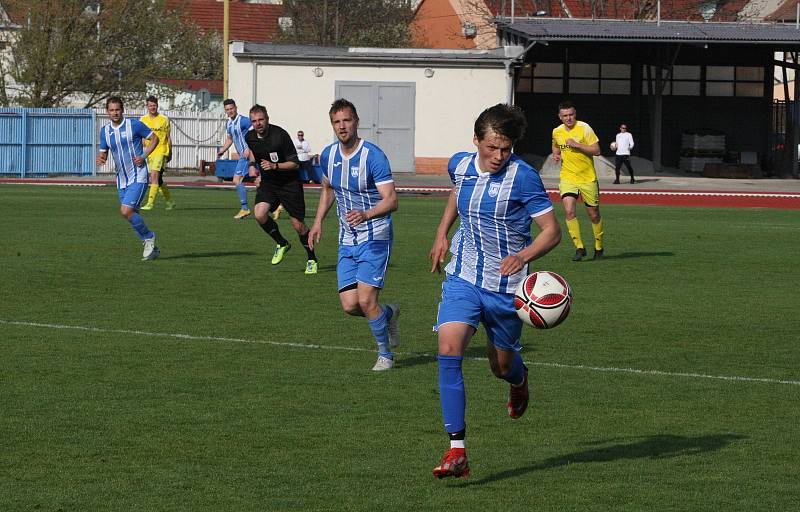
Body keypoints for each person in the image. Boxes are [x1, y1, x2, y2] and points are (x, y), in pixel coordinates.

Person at [429, 103, 561, 479]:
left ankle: (519, 381)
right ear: (476, 141)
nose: (499, 156)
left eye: (506, 149)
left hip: (507, 290)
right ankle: (457, 450)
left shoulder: (523, 177)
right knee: (449, 347)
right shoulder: (460, 164)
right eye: (491, 148)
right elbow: (457, 193)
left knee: (501, 366)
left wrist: (524, 255)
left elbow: (552, 231)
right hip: (464, 277)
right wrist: (441, 233)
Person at [308, 99, 401, 371]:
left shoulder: (373, 156)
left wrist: (366, 214)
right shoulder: (328, 156)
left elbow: (392, 200)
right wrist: (317, 223)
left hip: (376, 236)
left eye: (346, 120)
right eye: (337, 122)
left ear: (356, 121)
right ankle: (389, 314)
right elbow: (328, 189)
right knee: (350, 305)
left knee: (365, 300)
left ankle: (385, 355)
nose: (342, 126)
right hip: (347, 239)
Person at [245, 104, 319, 274]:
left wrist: (275, 166)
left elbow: (295, 163)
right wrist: (251, 165)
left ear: (267, 119)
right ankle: (282, 243)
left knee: (298, 226)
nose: (258, 124)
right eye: (254, 121)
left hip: (289, 184)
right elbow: (254, 152)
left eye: (261, 120)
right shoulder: (250, 137)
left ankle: (312, 259)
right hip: (269, 183)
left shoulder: (280, 135)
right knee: (259, 213)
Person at [96, 96, 161, 261]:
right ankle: (152, 249)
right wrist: (101, 158)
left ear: (122, 110)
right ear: (107, 112)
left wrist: (144, 155)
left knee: (126, 210)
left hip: (138, 176)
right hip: (121, 179)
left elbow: (155, 138)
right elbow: (104, 152)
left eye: (117, 109)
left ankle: (148, 237)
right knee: (129, 214)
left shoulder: (134, 125)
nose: (115, 113)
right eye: (111, 110)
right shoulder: (105, 131)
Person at [551, 100, 605, 261]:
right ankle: (579, 248)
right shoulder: (557, 131)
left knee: (594, 215)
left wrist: (577, 145)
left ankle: (599, 247)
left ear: (575, 114)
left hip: (587, 178)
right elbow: (555, 145)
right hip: (568, 177)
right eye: (565, 116)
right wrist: (556, 154)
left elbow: (597, 150)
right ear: (560, 117)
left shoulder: (584, 128)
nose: (568, 118)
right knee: (569, 211)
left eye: (571, 115)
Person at [217, 99, 252, 219]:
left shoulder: (244, 121)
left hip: (247, 155)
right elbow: (230, 139)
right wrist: (223, 150)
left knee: (237, 179)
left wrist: (249, 148)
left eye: (231, 108)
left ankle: (245, 208)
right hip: (243, 156)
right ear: (225, 111)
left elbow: (256, 133)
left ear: (236, 108)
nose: (230, 111)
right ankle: (277, 204)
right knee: (259, 180)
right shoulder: (229, 124)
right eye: (227, 109)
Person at [139, 96, 175, 210]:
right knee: (158, 180)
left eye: (154, 105)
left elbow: (168, 137)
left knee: (154, 176)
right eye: (150, 105)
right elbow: (140, 137)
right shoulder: (143, 120)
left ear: (157, 106)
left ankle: (150, 203)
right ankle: (170, 201)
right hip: (149, 152)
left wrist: (170, 152)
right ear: (147, 106)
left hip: (161, 150)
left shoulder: (164, 119)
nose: (152, 107)